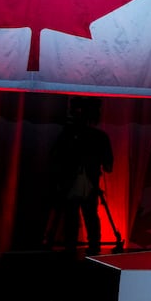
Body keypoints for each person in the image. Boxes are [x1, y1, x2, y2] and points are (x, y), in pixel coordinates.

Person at [49, 96, 114, 253]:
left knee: (80, 217)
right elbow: (108, 164)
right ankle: (91, 249)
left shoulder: (71, 135)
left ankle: (80, 249)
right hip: (80, 181)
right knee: (86, 216)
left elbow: (56, 158)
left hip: (81, 181)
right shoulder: (95, 136)